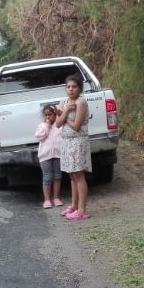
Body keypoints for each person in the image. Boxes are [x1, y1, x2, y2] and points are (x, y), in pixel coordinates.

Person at [56, 74, 91, 220]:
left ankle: (82, 210)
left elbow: (76, 126)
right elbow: (57, 123)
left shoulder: (81, 102)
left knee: (78, 175)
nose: (71, 89)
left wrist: (65, 118)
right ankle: (74, 205)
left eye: (74, 87)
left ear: (79, 88)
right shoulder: (64, 102)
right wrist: (65, 112)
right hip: (66, 142)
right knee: (72, 175)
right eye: (68, 87)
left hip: (77, 141)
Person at [35, 104, 64, 209]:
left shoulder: (59, 125)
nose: (48, 117)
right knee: (47, 177)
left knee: (57, 176)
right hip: (45, 156)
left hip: (57, 154)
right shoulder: (42, 126)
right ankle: (47, 199)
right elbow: (39, 137)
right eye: (46, 115)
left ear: (55, 114)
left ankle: (56, 197)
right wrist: (47, 126)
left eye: (50, 114)